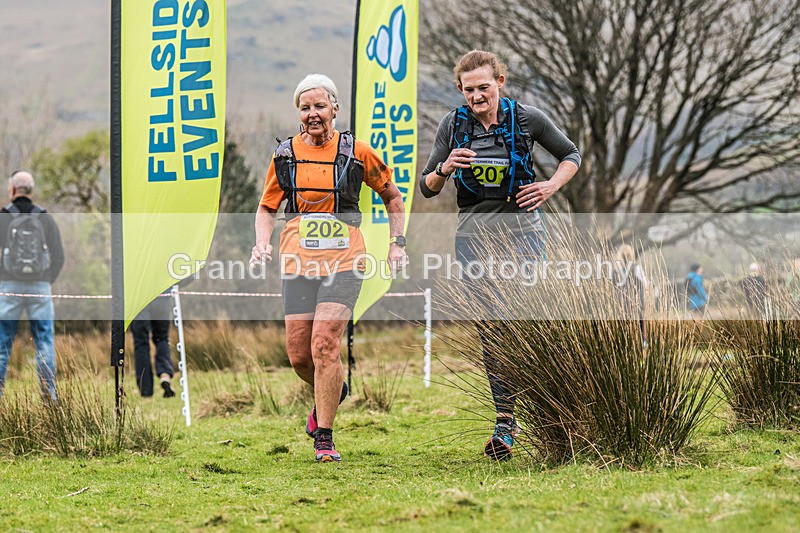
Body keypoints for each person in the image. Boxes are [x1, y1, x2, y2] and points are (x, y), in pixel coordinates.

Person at [419, 50, 581, 460]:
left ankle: (556, 411)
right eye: (469, 89)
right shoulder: (452, 126)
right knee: (493, 329)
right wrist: (445, 168)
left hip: (524, 234)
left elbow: (571, 155)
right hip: (474, 239)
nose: (477, 95)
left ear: (500, 83)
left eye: (484, 87)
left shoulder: (528, 118)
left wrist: (548, 188)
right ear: (460, 89)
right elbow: (427, 187)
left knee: (526, 320)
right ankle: (505, 422)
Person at [251, 74, 406, 463]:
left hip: (345, 260)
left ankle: (324, 437)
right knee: (301, 356)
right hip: (298, 260)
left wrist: (396, 243)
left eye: (320, 106)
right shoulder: (284, 155)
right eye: (305, 108)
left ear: (335, 108)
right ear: (298, 114)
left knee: (324, 344)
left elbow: (393, 197)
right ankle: (333, 386)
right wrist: (261, 242)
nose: (313, 114)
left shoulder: (357, 152)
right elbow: (267, 207)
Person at [0, 171, 64, 401]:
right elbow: (59, 256)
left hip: (9, 287)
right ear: (31, 190)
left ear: (13, 190)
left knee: (2, 343)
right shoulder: (45, 218)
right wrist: (46, 280)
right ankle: (49, 397)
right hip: (40, 286)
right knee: (44, 342)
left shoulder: (3, 217)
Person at [130, 295, 175, 398]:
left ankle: (146, 391)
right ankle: (165, 374)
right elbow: (186, 278)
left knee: (141, 344)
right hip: (161, 298)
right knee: (162, 339)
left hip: (138, 300)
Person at [613, 244, 648, 345]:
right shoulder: (636, 267)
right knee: (640, 321)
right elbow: (645, 283)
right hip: (636, 299)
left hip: (621, 300)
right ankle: (642, 343)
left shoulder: (616, 269)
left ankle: (624, 343)